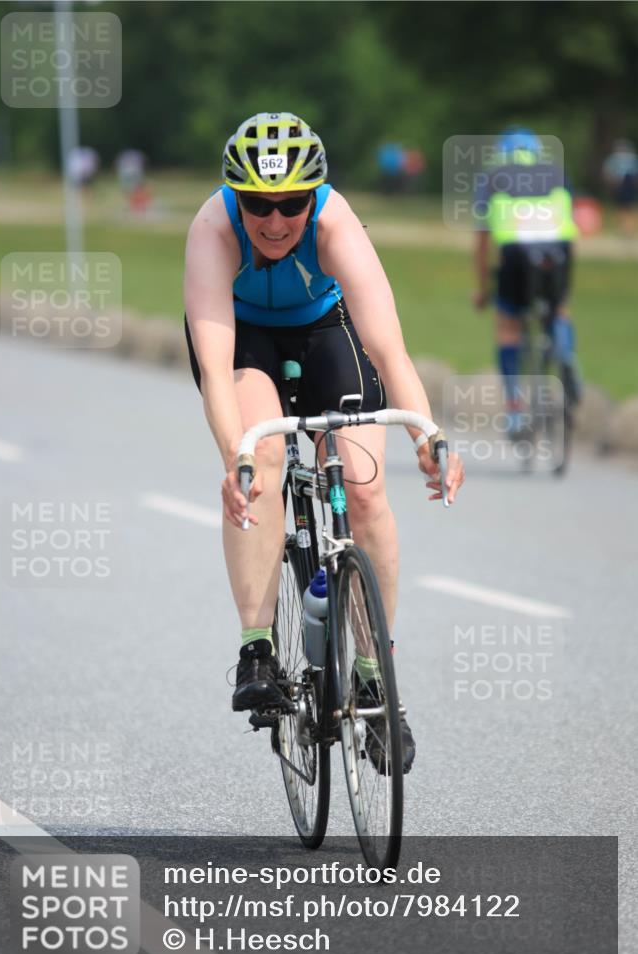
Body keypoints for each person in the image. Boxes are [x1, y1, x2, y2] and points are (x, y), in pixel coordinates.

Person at [183, 112, 464, 773]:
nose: (275, 221)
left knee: (364, 491)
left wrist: (430, 434)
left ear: (314, 199)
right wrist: (237, 459)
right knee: (268, 455)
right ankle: (256, 648)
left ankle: (374, 675)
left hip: (325, 328)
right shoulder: (212, 231)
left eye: (291, 205)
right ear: (236, 199)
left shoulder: (336, 226)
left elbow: (390, 352)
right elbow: (219, 377)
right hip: (244, 335)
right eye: (258, 204)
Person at [472, 126, 581, 434]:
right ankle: (564, 350)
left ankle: (516, 410)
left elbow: (482, 241)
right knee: (559, 309)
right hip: (557, 249)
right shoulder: (556, 172)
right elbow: (568, 226)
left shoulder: (492, 176)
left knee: (508, 325)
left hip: (516, 250)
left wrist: (483, 290)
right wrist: (565, 288)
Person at [602, 138, 638, 236]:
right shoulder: (623, 158)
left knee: (626, 207)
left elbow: (607, 173)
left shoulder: (628, 159)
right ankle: (626, 228)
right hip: (622, 185)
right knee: (624, 207)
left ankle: (628, 228)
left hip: (626, 185)